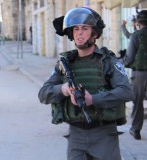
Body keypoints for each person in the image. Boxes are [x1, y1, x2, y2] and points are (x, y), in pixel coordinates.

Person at [38, 7, 134, 160]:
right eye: (75, 29)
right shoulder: (64, 64)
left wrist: (93, 99)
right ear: (71, 33)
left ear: (94, 33)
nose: (79, 33)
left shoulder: (108, 61)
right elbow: (43, 94)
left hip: (104, 135)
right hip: (76, 136)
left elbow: (126, 91)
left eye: (84, 28)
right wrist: (63, 89)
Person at [121, 10, 147, 140]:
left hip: (140, 74)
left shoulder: (136, 35)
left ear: (138, 22)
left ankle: (136, 130)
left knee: (138, 102)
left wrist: (119, 62)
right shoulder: (135, 35)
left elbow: (129, 58)